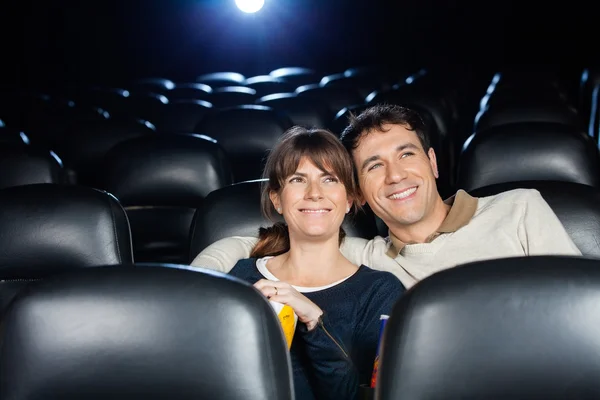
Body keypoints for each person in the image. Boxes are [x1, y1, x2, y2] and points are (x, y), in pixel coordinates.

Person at [192, 104, 582, 289]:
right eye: (374, 166)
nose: (395, 176)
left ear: (432, 163)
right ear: (358, 193)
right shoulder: (366, 256)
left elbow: (584, 310)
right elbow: (248, 243)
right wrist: (199, 284)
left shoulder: (520, 209)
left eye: (406, 154)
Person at [224, 126, 404, 400]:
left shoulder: (380, 292)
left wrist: (313, 321)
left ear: (349, 199)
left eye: (329, 179)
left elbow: (359, 396)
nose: (314, 193)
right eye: (298, 180)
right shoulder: (241, 277)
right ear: (277, 199)